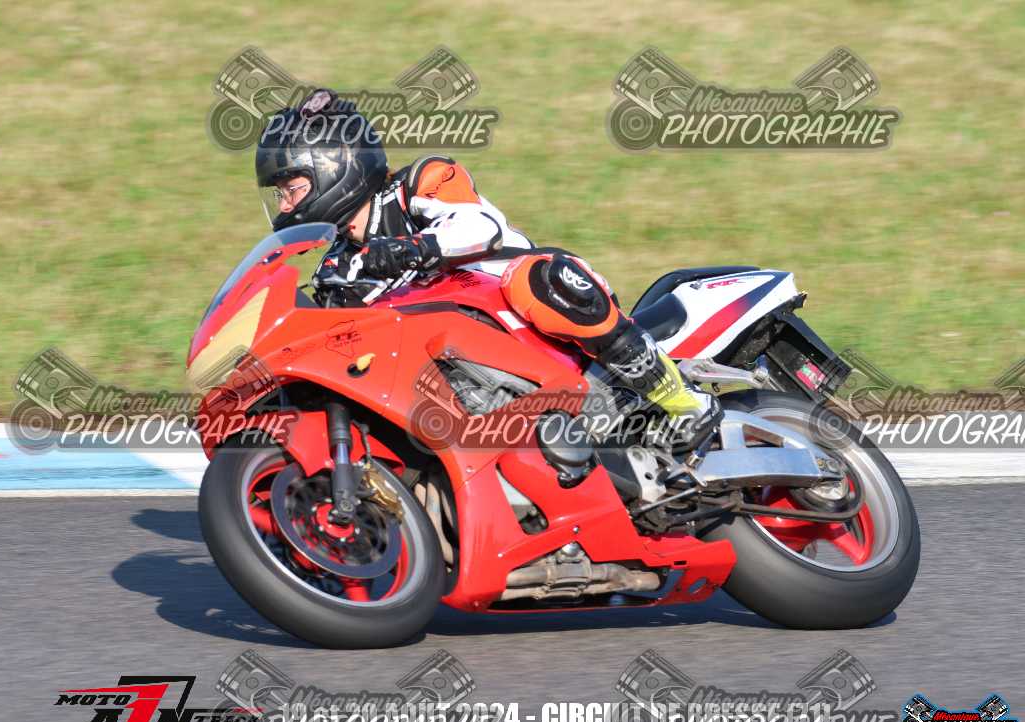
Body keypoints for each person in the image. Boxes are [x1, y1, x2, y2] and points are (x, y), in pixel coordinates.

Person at [254, 91, 720, 452]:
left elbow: (481, 227)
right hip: (461, 377)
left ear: (337, 166)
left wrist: (413, 248)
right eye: (279, 195)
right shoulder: (336, 269)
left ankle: (682, 401)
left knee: (537, 280)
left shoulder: (418, 183)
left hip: (522, 317)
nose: (285, 205)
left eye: (292, 188)